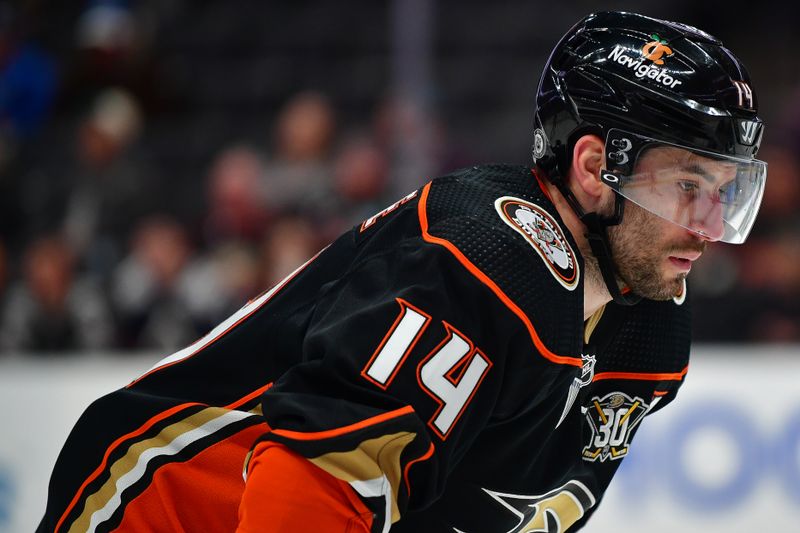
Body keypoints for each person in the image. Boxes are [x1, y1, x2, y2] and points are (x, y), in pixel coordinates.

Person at [38, 11, 766, 532]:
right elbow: (311, 485)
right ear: (594, 170)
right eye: (689, 187)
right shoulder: (489, 258)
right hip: (154, 504)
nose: (710, 228)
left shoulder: (649, 326)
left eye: (724, 193)